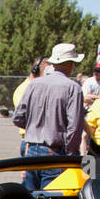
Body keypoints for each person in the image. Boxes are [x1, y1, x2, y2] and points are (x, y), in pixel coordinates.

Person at [12, 42, 84, 189]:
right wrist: (70, 155)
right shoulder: (73, 88)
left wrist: (35, 126)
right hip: (55, 151)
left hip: (31, 149)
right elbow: (74, 128)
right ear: (71, 64)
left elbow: (18, 118)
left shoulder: (33, 84)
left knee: (30, 197)